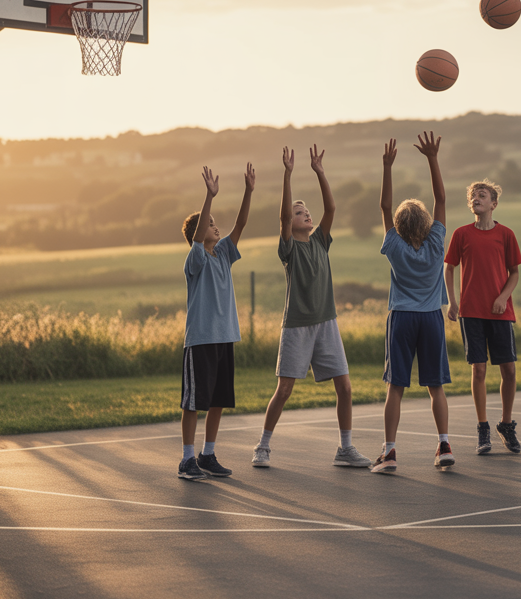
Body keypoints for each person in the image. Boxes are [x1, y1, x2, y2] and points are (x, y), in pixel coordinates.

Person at [252, 145, 372, 470]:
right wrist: (288, 173)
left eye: (306, 211)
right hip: (297, 326)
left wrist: (320, 171)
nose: (305, 214)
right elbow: (281, 216)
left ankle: (345, 449)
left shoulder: (320, 241)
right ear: (289, 225)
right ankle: (262, 446)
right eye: (298, 213)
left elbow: (331, 207)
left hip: (327, 323)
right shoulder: (289, 248)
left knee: (345, 387)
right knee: (285, 389)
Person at [371, 133, 452, 473]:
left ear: (398, 227)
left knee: (396, 388)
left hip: (402, 318)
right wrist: (433, 158)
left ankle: (389, 451)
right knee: (435, 388)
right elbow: (441, 198)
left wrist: (387, 167)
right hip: (431, 318)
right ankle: (444, 444)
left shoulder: (395, 247)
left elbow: (384, 207)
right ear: (428, 223)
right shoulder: (436, 244)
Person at [177, 163, 254, 481]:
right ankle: (187, 460)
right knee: (194, 402)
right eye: (209, 224)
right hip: (201, 340)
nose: (215, 226)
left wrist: (249, 191)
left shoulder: (223, 253)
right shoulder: (195, 259)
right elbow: (197, 237)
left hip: (225, 337)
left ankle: (208, 455)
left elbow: (240, 223)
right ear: (197, 234)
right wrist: (209, 196)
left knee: (219, 400)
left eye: (214, 222)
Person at [445, 179, 521, 455]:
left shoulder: (506, 235)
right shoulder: (461, 234)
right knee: (478, 370)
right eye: (473, 196)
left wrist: (502, 297)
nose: (476, 198)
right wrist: (452, 301)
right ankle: (482, 428)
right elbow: (449, 267)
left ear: (493, 203)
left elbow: (514, 272)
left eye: (482, 195)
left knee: (509, 370)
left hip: (501, 312)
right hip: (471, 312)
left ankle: (506, 424)